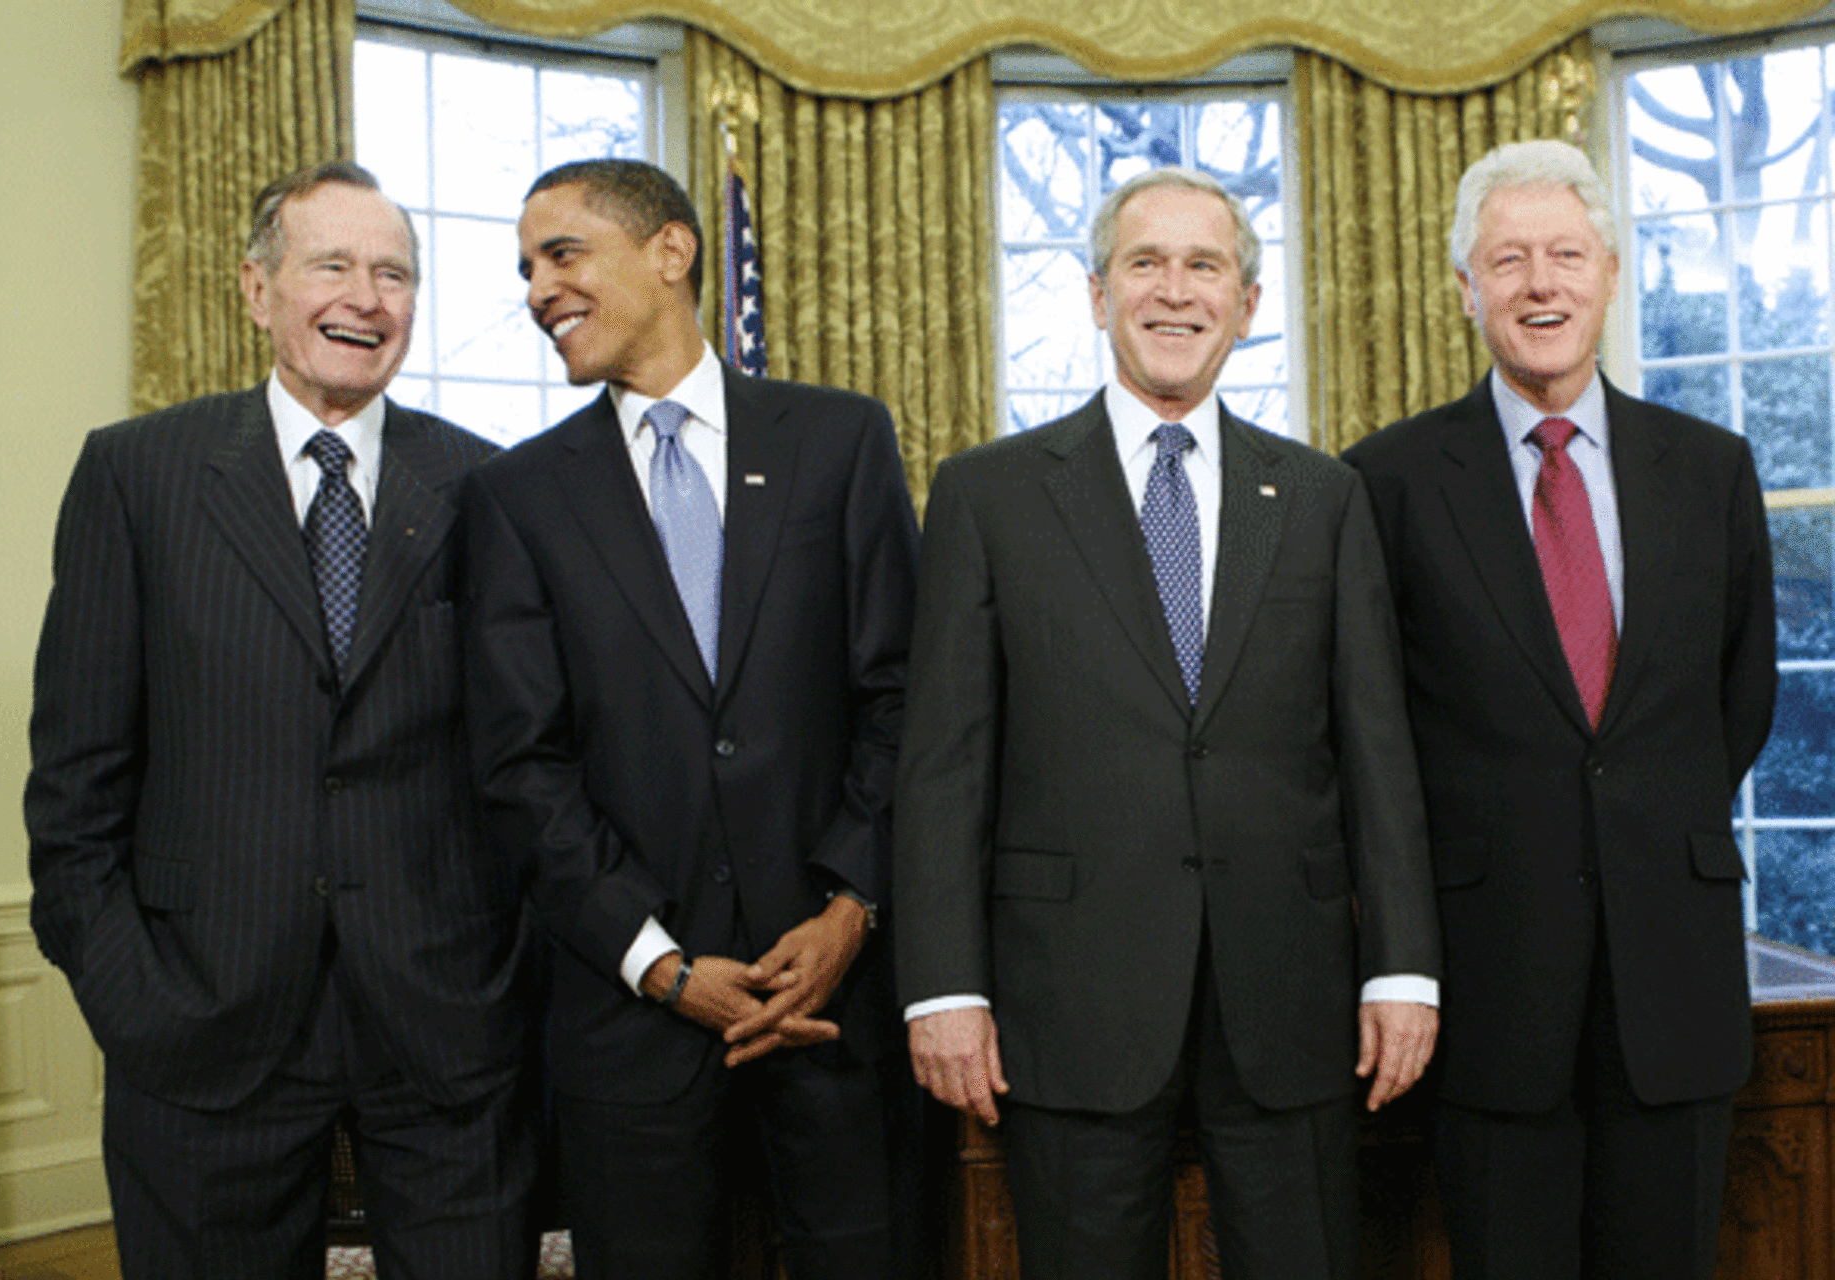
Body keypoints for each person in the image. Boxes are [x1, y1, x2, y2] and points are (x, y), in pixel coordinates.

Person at [894, 166, 1441, 1280]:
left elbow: (1376, 749)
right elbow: (945, 761)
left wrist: (1402, 970)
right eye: (1146, 262)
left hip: (1290, 997)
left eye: (1207, 266)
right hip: (1070, 993)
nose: (1175, 291)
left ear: (1248, 301)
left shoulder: (1326, 498)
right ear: (1097, 294)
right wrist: (944, 985)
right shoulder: (987, 495)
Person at [23, 160, 531, 1280]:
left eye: (394, 272)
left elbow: (529, 767)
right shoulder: (137, 475)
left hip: (445, 1029)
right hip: (200, 1029)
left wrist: (504, 982)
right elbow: (75, 787)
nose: (367, 296)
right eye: (333, 265)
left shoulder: (490, 488)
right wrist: (135, 1003)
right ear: (258, 291)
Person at [461, 158, 920, 1280]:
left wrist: (850, 910)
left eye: (561, 253)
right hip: (633, 1024)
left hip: (835, 1004)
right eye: (524, 268)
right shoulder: (517, 498)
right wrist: (663, 966)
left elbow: (904, 699)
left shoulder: (839, 439)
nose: (536, 289)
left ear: (671, 251)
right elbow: (523, 767)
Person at [1343, 139, 1777, 1280]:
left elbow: (1740, 699)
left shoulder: (1714, 467)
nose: (1542, 283)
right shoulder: (1382, 483)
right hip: (1490, 989)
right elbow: (1370, 727)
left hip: (1673, 979)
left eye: (1567, 256)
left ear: (1612, 272)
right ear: (1466, 287)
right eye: (1511, 259)